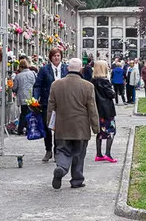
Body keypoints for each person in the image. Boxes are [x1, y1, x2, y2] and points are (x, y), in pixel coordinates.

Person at [47, 58, 99, 189]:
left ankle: (62, 168)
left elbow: (51, 107)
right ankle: (76, 180)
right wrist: (96, 127)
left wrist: (50, 124)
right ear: (81, 69)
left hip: (62, 126)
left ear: (67, 68)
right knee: (79, 154)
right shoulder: (88, 86)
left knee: (62, 150)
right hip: (80, 128)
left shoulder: (56, 85)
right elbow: (92, 108)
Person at [33, 48, 65, 162]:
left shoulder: (65, 68)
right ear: (50, 57)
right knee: (47, 127)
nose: (56, 58)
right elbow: (38, 85)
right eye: (54, 56)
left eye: (58, 55)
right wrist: (35, 98)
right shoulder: (44, 69)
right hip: (47, 102)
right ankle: (48, 150)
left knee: (59, 128)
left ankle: (57, 151)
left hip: (62, 102)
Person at [92, 60, 117, 163]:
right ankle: (108, 153)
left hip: (97, 109)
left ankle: (99, 154)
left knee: (100, 132)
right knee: (111, 131)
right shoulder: (104, 81)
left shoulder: (92, 81)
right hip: (107, 110)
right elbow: (111, 94)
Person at [12, 59, 37, 135]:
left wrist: (12, 88)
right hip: (31, 96)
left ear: (20, 67)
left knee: (23, 113)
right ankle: (29, 129)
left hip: (22, 97)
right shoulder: (33, 74)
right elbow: (36, 84)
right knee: (30, 113)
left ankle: (20, 129)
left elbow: (14, 88)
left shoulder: (18, 76)